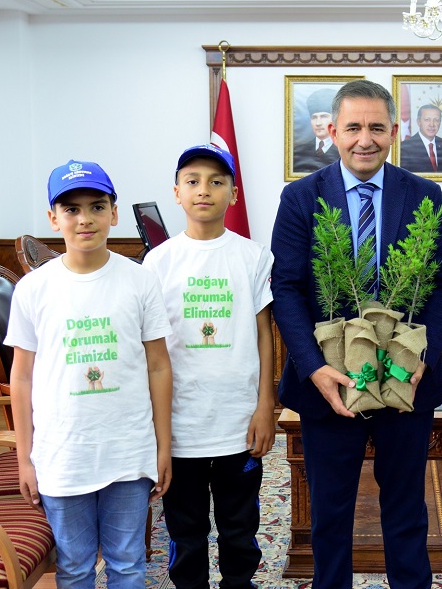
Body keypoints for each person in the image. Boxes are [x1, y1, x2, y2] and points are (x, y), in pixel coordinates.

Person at [270, 79, 442, 589]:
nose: (365, 139)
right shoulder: (300, 199)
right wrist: (314, 368)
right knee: (330, 512)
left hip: (407, 380)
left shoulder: (424, 195)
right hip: (330, 385)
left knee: (406, 506)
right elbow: (286, 290)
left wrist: (422, 354)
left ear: (394, 132)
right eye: (353, 127)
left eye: (377, 127)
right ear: (333, 131)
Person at [6, 159, 173, 588]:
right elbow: (21, 379)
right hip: (63, 455)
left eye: (97, 206)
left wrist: (162, 446)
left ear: (113, 213)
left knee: (127, 564)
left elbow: (158, 365)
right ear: (53, 218)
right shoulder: (34, 289)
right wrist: (25, 458)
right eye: (72, 209)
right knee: (75, 567)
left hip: (127, 450)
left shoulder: (139, 281)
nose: (85, 219)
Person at [142, 144, 275, 589]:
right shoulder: (157, 263)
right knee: (186, 530)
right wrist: (158, 430)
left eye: (217, 182)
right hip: (182, 426)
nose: (204, 191)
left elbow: (263, 335)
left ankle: (240, 584)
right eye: (193, 181)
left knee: (240, 529)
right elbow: (153, 352)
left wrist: (264, 407)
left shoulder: (252, 256)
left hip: (238, 420)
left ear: (233, 195)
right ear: (176, 192)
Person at [293, 88, 340, 172]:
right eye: (314, 117)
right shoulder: (298, 151)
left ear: (335, 119)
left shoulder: (343, 151)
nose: (318, 123)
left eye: (324, 116)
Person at [400, 104, 442, 173]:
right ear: (419, 122)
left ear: (440, 122)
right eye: (427, 120)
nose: (432, 124)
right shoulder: (405, 147)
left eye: (436, 120)